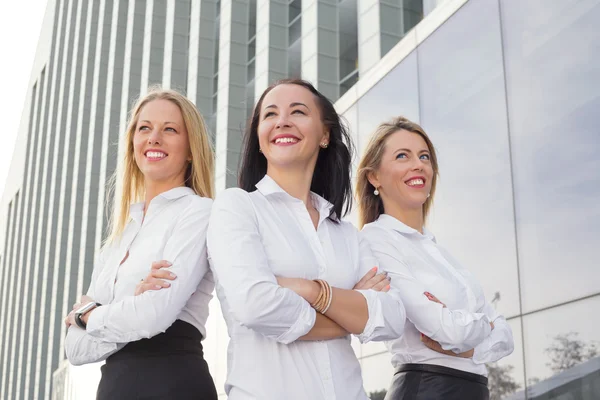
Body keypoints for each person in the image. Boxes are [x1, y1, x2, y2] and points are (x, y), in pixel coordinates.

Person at [63, 87, 218, 400]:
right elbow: (75, 348)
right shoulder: (117, 239)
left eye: (170, 129)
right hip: (113, 388)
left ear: (191, 149)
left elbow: (155, 316)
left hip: (174, 384)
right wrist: (131, 308)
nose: (154, 138)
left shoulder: (199, 212)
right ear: (132, 142)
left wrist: (89, 315)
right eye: (144, 128)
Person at [357, 116, 514, 400]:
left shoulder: (440, 253)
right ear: (374, 176)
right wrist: (482, 325)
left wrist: (470, 346)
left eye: (424, 156)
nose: (418, 164)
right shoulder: (375, 240)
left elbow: (505, 337)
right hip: (427, 390)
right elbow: (447, 331)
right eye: (402, 156)